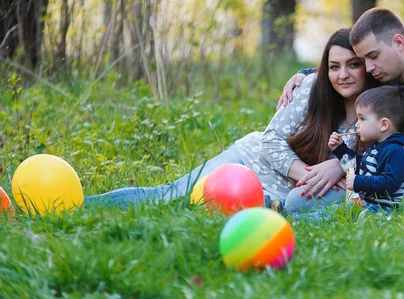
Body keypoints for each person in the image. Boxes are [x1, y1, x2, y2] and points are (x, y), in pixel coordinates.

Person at [84, 28, 379, 210]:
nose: (343, 75)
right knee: (170, 196)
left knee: (211, 210)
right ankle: (76, 207)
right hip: (248, 161)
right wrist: (309, 176)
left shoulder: (377, 114)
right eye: (334, 66)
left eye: (353, 65)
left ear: (366, 65)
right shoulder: (311, 90)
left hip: (281, 197)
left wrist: (338, 168)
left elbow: (375, 162)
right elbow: (270, 141)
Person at [279, 7, 404, 203]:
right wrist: (304, 74)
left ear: (398, 42)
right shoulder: (388, 70)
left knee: (298, 201)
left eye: (373, 56)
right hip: (371, 175)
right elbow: (340, 71)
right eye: (363, 60)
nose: (368, 68)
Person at [329, 86, 404, 213]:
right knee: (337, 210)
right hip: (373, 206)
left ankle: (301, 219)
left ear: (383, 124)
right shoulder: (376, 147)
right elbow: (357, 165)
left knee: (343, 213)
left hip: (392, 210)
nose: (357, 124)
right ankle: (296, 217)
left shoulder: (396, 151)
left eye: (362, 119)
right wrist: (340, 149)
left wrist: (357, 181)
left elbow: (389, 183)